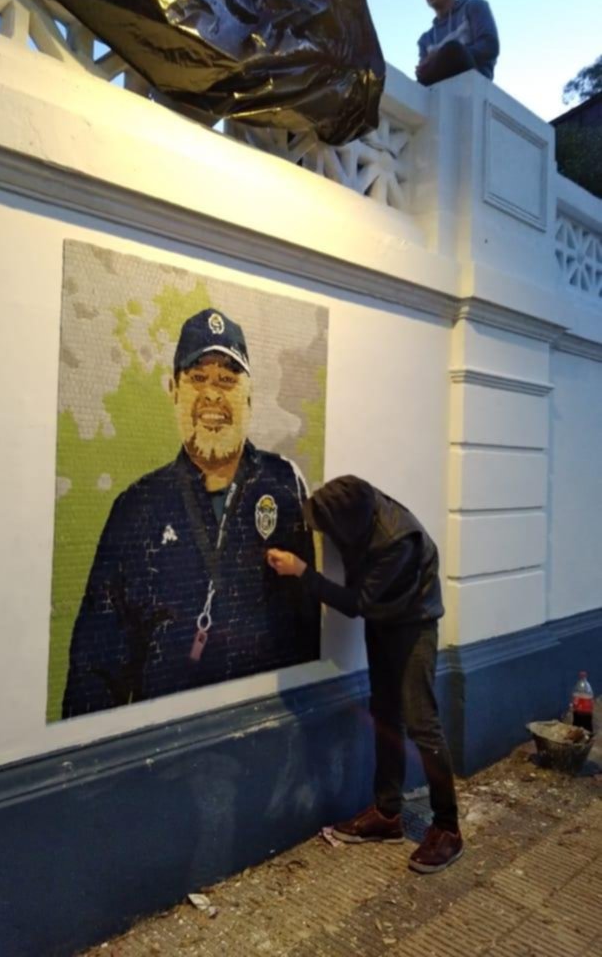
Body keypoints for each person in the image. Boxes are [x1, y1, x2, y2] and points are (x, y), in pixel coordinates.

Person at [62, 308, 320, 718]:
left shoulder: (284, 484)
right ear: (174, 390)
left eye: (227, 379)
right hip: (168, 748)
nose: (213, 395)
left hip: (271, 722)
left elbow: (309, 617)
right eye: (198, 378)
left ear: (248, 394)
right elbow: (96, 661)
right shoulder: (136, 508)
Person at [266, 475, 463, 874]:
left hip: (414, 621)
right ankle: (388, 815)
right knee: (385, 714)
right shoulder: (355, 505)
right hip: (384, 615)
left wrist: (303, 571)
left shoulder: (395, 541)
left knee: (421, 722)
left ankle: (447, 829)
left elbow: (356, 603)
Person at [415, 0, 498, 87]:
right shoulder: (425, 39)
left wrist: (441, 56)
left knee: (453, 50)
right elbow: (423, 74)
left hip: (474, 79)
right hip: (439, 87)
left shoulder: (474, 6)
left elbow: (490, 46)